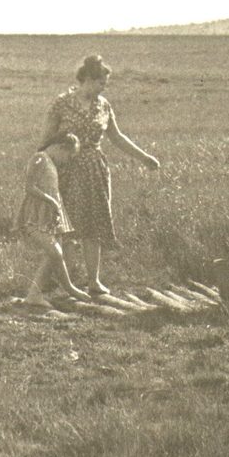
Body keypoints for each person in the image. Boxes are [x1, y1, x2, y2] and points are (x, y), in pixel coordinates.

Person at [40, 55, 160, 295]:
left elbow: (117, 137)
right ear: (87, 79)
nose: (104, 87)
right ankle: (65, 284)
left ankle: (93, 281)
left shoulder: (104, 105)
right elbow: (45, 140)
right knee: (66, 227)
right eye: (101, 82)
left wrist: (144, 157)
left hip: (95, 171)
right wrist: (43, 170)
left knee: (93, 225)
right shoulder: (61, 104)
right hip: (66, 170)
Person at [13, 133, 97, 306]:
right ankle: (70, 288)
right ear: (60, 147)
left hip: (49, 216)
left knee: (53, 256)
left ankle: (34, 294)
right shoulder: (39, 158)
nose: (67, 161)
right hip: (35, 216)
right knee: (55, 253)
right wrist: (51, 201)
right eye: (68, 156)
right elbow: (29, 187)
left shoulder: (50, 162)